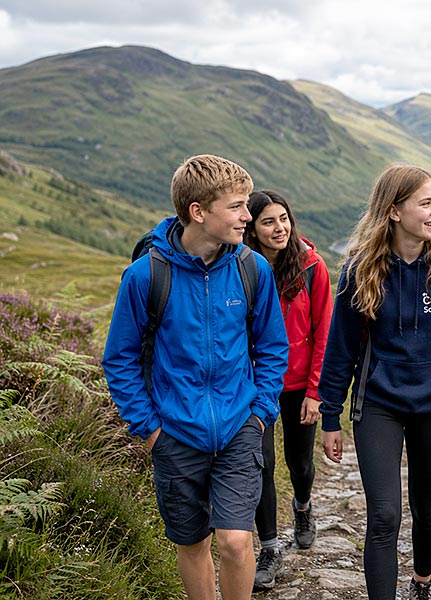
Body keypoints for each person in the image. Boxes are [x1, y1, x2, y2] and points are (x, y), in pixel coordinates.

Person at [102, 154, 289, 600]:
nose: (248, 216)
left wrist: (260, 412)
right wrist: (150, 430)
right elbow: (120, 359)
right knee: (192, 543)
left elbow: (272, 347)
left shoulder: (251, 268)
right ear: (198, 212)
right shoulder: (146, 275)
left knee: (236, 540)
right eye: (237, 206)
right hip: (174, 433)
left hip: (239, 426)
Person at [317, 164, 431, 600]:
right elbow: (340, 347)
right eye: (427, 203)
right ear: (394, 211)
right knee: (383, 516)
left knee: (427, 511)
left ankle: (422, 581)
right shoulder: (361, 269)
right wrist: (329, 416)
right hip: (378, 404)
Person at [243, 190, 334, 590]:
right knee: (261, 464)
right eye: (268, 221)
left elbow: (323, 332)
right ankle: (269, 546)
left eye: (284, 219)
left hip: (299, 385)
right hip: (256, 385)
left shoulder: (312, 266)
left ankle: (303, 505)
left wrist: (316, 391)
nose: (279, 228)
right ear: (251, 228)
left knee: (300, 464)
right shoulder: (241, 266)